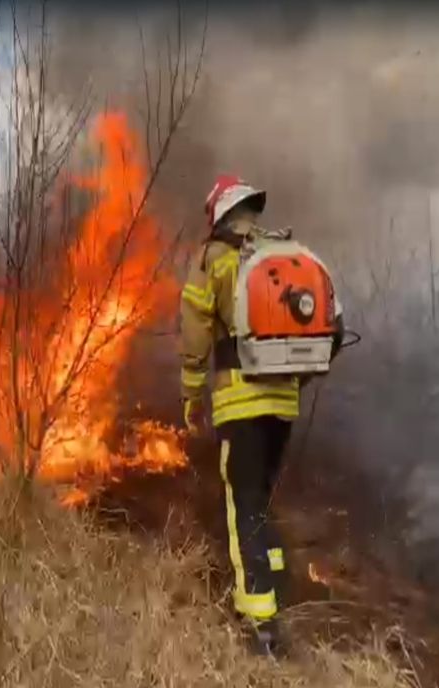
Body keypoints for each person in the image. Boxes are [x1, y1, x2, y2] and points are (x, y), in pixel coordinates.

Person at [178, 175, 344, 657]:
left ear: (218, 214)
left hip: (239, 401)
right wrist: (296, 378)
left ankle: (260, 622)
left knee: (244, 504)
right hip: (282, 406)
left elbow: (194, 332)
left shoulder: (214, 259)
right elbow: (332, 327)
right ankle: (273, 582)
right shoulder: (288, 255)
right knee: (262, 497)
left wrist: (192, 394)